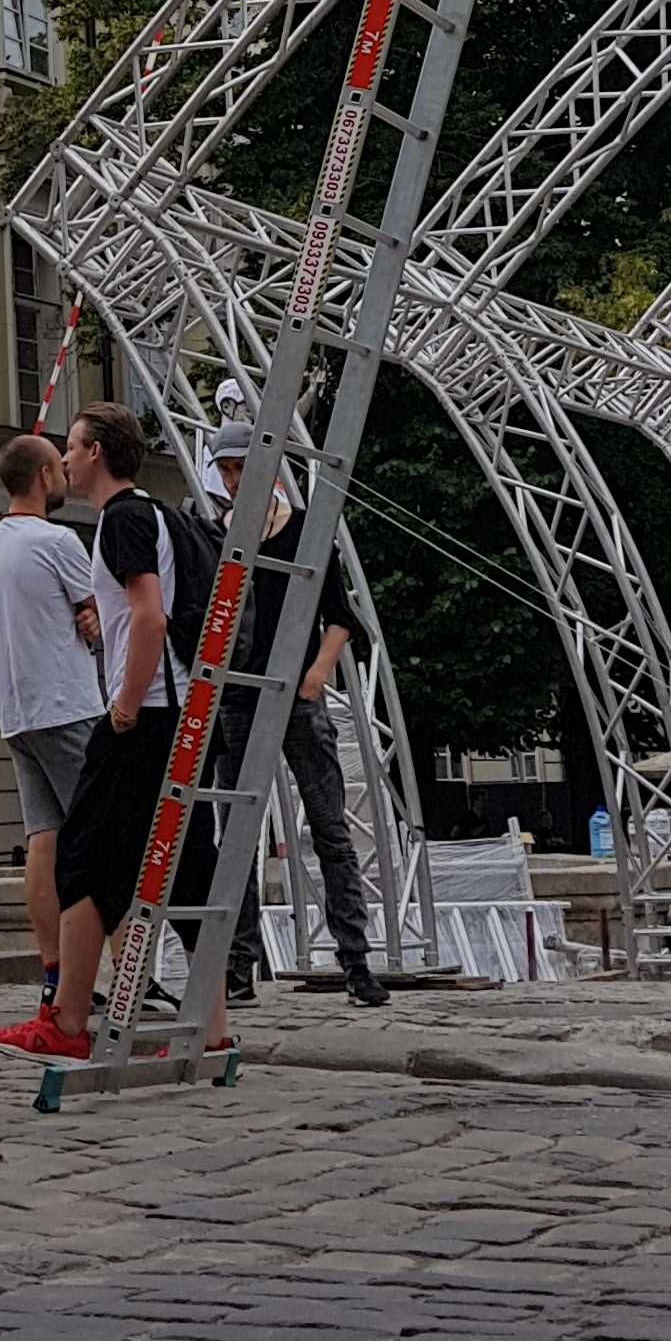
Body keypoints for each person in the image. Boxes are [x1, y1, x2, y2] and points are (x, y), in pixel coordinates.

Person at [0, 403, 221, 1065]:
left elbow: (147, 618)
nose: (67, 456)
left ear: (99, 454)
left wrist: (122, 705)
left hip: (142, 716)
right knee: (184, 865)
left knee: (84, 861)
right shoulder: (153, 512)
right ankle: (212, 1023)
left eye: (75, 445)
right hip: (168, 713)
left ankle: (66, 1020)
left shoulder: (119, 520)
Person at [194, 398, 391, 1012]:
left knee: (330, 829)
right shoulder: (218, 534)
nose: (232, 478)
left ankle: (356, 962)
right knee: (237, 838)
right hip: (239, 698)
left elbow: (342, 617)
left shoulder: (306, 528)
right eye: (224, 470)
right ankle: (240, 966)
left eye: (240, 466)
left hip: (294, 694)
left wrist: (312, 679)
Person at [0, 430, 104, 1018]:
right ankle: (115, 973)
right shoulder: (59, 540)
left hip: (17, 712)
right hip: (67, 704)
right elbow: (97, 615)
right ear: (43, 477)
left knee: (43, 842)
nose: (64, 473)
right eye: (58, 464)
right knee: (104, 840)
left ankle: (53, 971)